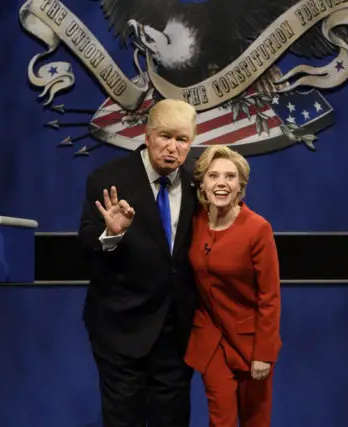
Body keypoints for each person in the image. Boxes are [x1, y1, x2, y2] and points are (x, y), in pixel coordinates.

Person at [78, 98, 199, 427]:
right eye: (165, 136)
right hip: (121, 328)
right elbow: (86, 247)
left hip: (176, 334)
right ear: (147, 136)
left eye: (182, 139)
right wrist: (111, 233)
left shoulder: (196, 186)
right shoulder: (108, 180)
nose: (172, 147)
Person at [184, 145, 281, 427]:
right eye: (213, 176)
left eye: (230, 176)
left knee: (255, 421)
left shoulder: (258, 228)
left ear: (241, 185)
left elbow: (269, 297)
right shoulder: (195, 222)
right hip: (211, 338)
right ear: (202, 183)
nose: (221, 183)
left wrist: (263, 354)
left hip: (251, 342)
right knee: (221, 420)